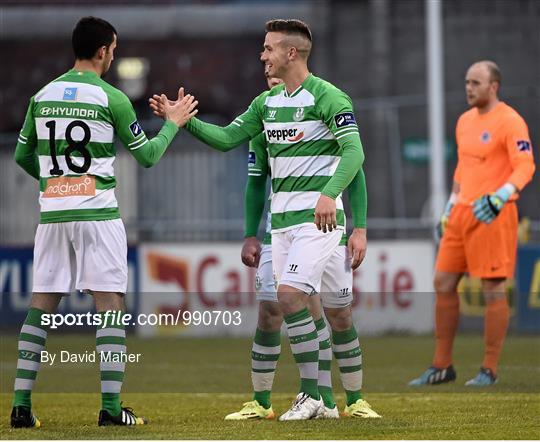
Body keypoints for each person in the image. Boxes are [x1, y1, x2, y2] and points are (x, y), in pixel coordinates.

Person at [151, 19, 366, 420]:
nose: (262, 56)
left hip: (318, 223)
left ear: (291, 53)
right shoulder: (264, 105)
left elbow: (355, 154)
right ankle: (319, 402)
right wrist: (183, 122)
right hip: (281, 227)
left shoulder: (329, 97)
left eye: (268, 49)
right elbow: (226, 139)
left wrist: (329, 195)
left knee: (293, 298)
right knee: (293, 304)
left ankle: (317, 396)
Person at [11, 16, 197, 428]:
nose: (113, 55)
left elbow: (23, 156)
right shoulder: (110, 97)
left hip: (54, 213)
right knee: (109, 304)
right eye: (113, 49)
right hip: (97, 214)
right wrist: (172, 124)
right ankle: (111, 410)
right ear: (102, 51)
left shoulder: (42, 96)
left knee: (41, 305)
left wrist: (57, 182)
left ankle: (20, 408)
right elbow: (147, 156)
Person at [224, 74, 380, 420]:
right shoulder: (262, 121)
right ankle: (264, 402)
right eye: (267, 70)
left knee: (337, 313)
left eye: (276, 63)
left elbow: (355, 169)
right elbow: (255, 183)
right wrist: (252, 233)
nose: (272, 74)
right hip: (279, 230)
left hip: (324, 226)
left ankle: (350, 399)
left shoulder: (320, 105)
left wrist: (360, 228)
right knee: (272, 309)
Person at [410, 60, 535, 387]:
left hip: (492, 212)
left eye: (476, 82)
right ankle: (441, 366)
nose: (469, 88)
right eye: (467, 81)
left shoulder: (510, 121)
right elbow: (463, 170)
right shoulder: (465, 121)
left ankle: (489, 369)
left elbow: (525, 166)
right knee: (442, 282)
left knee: (492, 288)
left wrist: (501, 196)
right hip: (462, 212)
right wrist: (449, 208)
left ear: (493, 86)